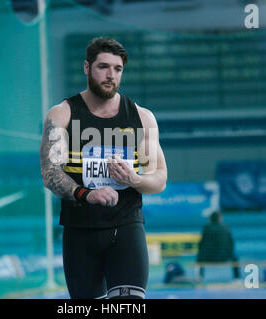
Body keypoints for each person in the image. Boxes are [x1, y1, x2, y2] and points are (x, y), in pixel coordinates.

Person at [40, 37, 167, 299]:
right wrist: (87, 194)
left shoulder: (141, 117)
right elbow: (50, 173)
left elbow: (160, 178)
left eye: (117, 69)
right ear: (87, 68)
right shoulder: (62, 114)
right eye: (103, 67)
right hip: (79, 231)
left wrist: (134, 179)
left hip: (126, 226)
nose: (111, 75)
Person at [197, 211, 239, 280]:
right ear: (220, 218)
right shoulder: (226, 228)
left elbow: (201, 244)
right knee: (235, 257)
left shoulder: (206, 228)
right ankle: (237, 277)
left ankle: (200, 277)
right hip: (224, 257)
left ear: (210, 219)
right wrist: (228, 254)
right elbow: (231, 244)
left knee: (199, 257)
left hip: (209, 257)